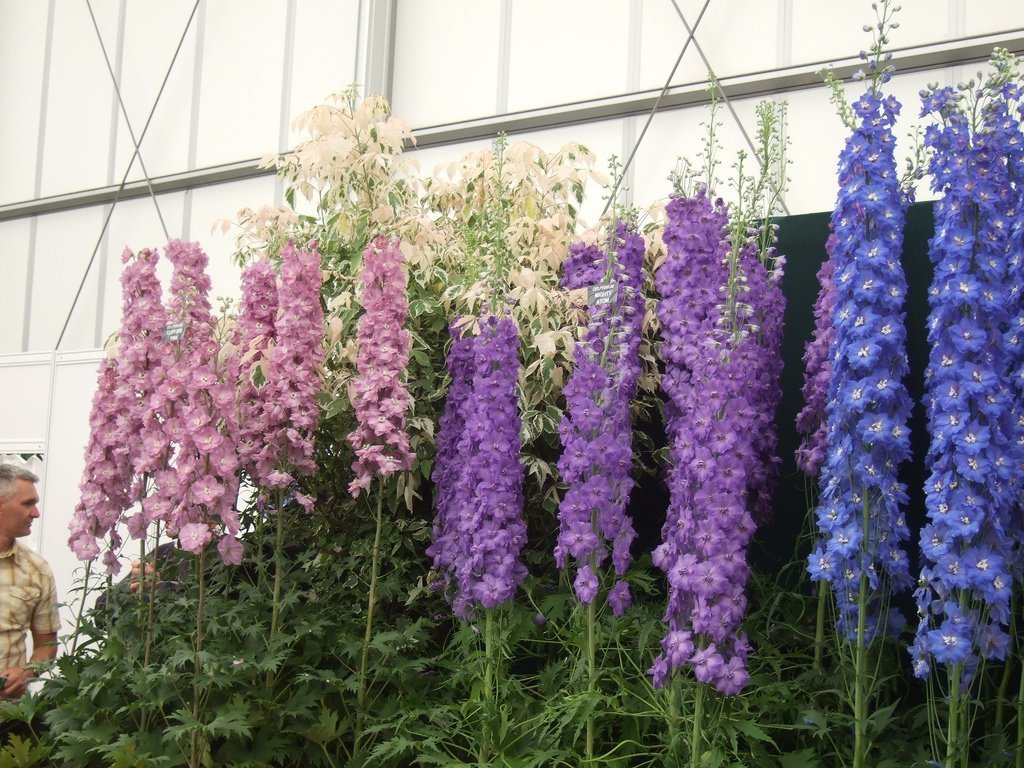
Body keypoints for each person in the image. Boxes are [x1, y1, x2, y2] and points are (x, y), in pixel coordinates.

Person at [0, 465, 59, 700]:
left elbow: (48, 645)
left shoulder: (37, 570)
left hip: (8, 718)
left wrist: (26, 674)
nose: (36, 513)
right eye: (27, 503)